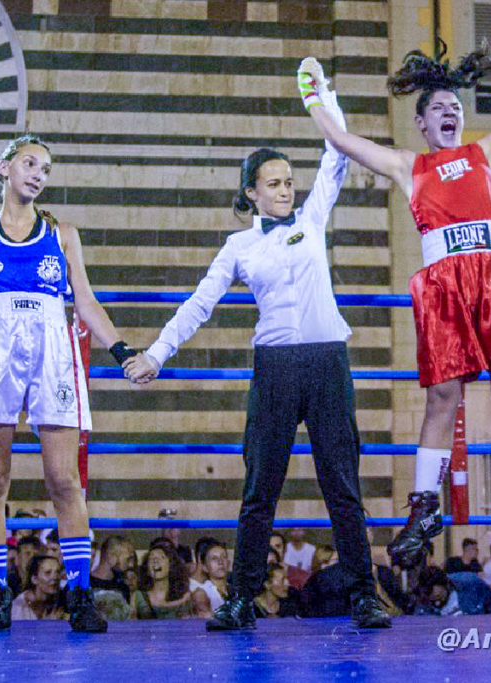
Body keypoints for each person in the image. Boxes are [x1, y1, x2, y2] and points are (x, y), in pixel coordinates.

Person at [123, 76, 390, 632]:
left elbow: (335, 156)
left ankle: (366, 595)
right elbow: (199, 304)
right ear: (252, 193)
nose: (287, 189)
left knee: (342, 484)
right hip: (275, 371)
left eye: (290, 181)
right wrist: (156, 352)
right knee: (259, 489)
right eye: (274, 183)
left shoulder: (314, 217)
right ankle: (241, 599)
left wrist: (321, 97)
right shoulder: (239, 246)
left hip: (326, 362)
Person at [300, 33, 491, 568]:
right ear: (421, 121)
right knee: (442, 398)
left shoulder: (487, 151)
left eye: (455, 107)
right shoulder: (407, 165)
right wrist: (315, 99)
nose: (450, 112)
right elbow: (345, 144)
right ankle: (423, 510)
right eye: (439, 107)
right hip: (445, 285)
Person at [0, 133, 134, 633]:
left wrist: (121, 348)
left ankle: (79, 594)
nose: (38, 174)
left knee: (64, 479)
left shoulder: (63, 233)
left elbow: (86, 302)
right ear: (6, 167)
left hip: (53, 346)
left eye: (45, 169)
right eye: (30, 163)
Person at [133, 542, 192, 619]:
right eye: (151, 558)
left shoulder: (184, 595)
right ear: (147, 569)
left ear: (171, 566)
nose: (155, 561)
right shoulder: (138, 596)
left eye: (162, 557)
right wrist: (180, 602)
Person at [10, 555, 66, 621]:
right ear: (35, 579)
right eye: (48, 573)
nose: (55, 577)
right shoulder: (19, 608)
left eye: (57, 572)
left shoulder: (62, 602)